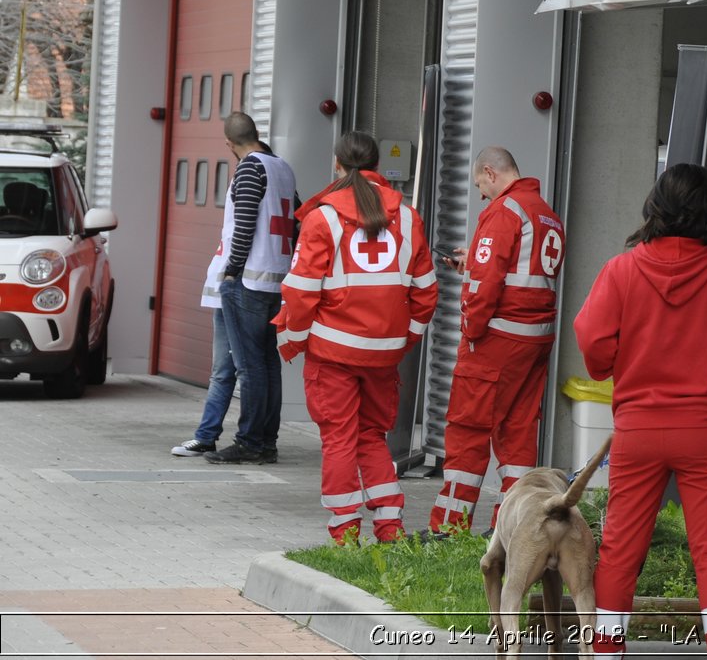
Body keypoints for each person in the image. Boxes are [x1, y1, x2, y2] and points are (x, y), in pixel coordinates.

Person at [574, 164, 707, 658]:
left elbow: (592, 345)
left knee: (619, 550)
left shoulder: (620, 271)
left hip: (637, 430)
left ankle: (606, 650)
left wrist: (620, 363)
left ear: (655, 208)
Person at [273, 131, 439, 545]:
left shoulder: (323, 216)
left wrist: (292, 338)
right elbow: (426, 292)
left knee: (340, 438)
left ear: (337, 164)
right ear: (377, 164)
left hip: (333, 351)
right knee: (370, 436)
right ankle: (389, 524)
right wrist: (404, 340)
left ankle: (345, 533)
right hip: (384, 355)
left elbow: (300, 291)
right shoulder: (407, 215)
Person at [427, 146, 567, 535]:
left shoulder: (505, 210)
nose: (481, 195)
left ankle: (449, 528)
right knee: (518, 432)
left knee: (467, 428)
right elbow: (520, 272)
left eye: (479, 187)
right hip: (534, 341)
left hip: (496, 340)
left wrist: (471, 331)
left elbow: (485, 288)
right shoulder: (546, 215)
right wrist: (473, 261)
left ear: (490, 172)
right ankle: (514, 526)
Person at [205, 112, 297, 465]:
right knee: (268, 363)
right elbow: (296, 219)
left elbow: (244, 223)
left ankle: (250, 442)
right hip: (277, 277)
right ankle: (267, 441)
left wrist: (231, 271)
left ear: (229, 144)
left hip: (248, 280)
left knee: (249, 366)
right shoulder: (282, 167)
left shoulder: (249, 168)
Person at [169, 248, 237, 456]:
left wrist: (230, 274)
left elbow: (242, 239)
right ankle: (259, 440)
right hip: (249, 288)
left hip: (236, 290)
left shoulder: (241, 214)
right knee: (256, 370)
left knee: (224, 372)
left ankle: (207, 436)